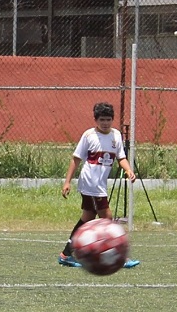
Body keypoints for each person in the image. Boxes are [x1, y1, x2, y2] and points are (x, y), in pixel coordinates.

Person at [59, 102, 140, 268]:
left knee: (87, 219)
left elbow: (121, 157)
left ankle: (66, 254)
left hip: (99, 184)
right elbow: (76, 159)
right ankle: (118, 257)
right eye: (102, 119)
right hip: (91, 183)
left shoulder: (116, 135)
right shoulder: (89, 135)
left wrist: (128, 170)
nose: (105, 123)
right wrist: (67, 181)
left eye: (108, 119)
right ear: (95, 120)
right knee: (108, 219)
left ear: (113, 120)